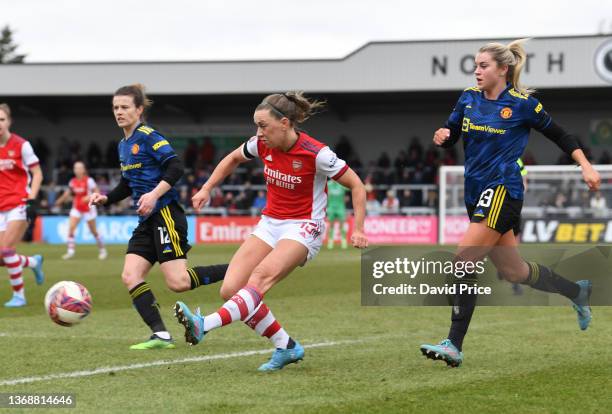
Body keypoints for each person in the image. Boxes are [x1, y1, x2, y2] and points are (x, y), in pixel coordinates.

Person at [420, 39, 601, 367]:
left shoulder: (521, 105)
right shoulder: (468, 99)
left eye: (483, 65)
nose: (477, 71)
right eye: (475, 65)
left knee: (463, 262)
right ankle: (577, 292)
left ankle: (453, 344)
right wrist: (443, 134)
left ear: (503, 70)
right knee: (514, 272)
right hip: (474, 192)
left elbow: (561, 135)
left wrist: (585, 165)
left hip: (503, 189)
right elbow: (453, 131)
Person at [174, 92, 369, 371]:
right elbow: (231, 159)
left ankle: (204, 324)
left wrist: (359, 228)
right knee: (231, 289)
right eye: (256, 126)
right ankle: (286, 346)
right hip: (270, 223)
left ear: (285, 123)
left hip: (304, 226)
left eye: (263, 126)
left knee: (258, 279)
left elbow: (357, 185)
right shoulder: (260, 145)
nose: (258, 132)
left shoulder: (318, 154)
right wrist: (207, 187)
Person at [89, 84, 228, 349]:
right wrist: (106, 198)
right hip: (146, 221)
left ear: (139, 110)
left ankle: (238, 270)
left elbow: (176, 166)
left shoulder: (149, 136)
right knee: (130, 275)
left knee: (178, 282)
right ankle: (161, 335)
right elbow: (127, 184)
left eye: (125, 107)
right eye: (115, 107)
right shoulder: (123, 145)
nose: (119, 112)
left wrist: (154, 195)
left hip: (165, 214)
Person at [0, 103, 45, 307]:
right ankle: (33, 262)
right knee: (2, 258)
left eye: (2, 119)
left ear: (9, 121)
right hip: (1, 207)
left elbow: (37, 173)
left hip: (19, 203)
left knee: (7, 250)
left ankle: (20, 296)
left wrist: (32, 200)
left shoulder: (21, 145)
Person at [54, 161, 107, 260]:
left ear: (83, 170)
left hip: (88, 208)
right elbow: (67, 193)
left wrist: (88, 197)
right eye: (75, 168)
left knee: (94, 231)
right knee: (71, 228)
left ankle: (102, 250)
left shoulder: (89, 180)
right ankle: (70, 251)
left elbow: (97, 191)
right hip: (77, 208)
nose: (77, 170)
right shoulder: (72, 181)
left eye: (79, 168)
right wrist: (59, 201)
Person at [326, 179, 348, 249]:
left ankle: (343, 241)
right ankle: (330, 241)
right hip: (331, 207)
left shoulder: (341, 184)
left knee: (342, 224)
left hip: (340, 207)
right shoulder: (328, 184)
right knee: (331, 225)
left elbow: (350, 187)